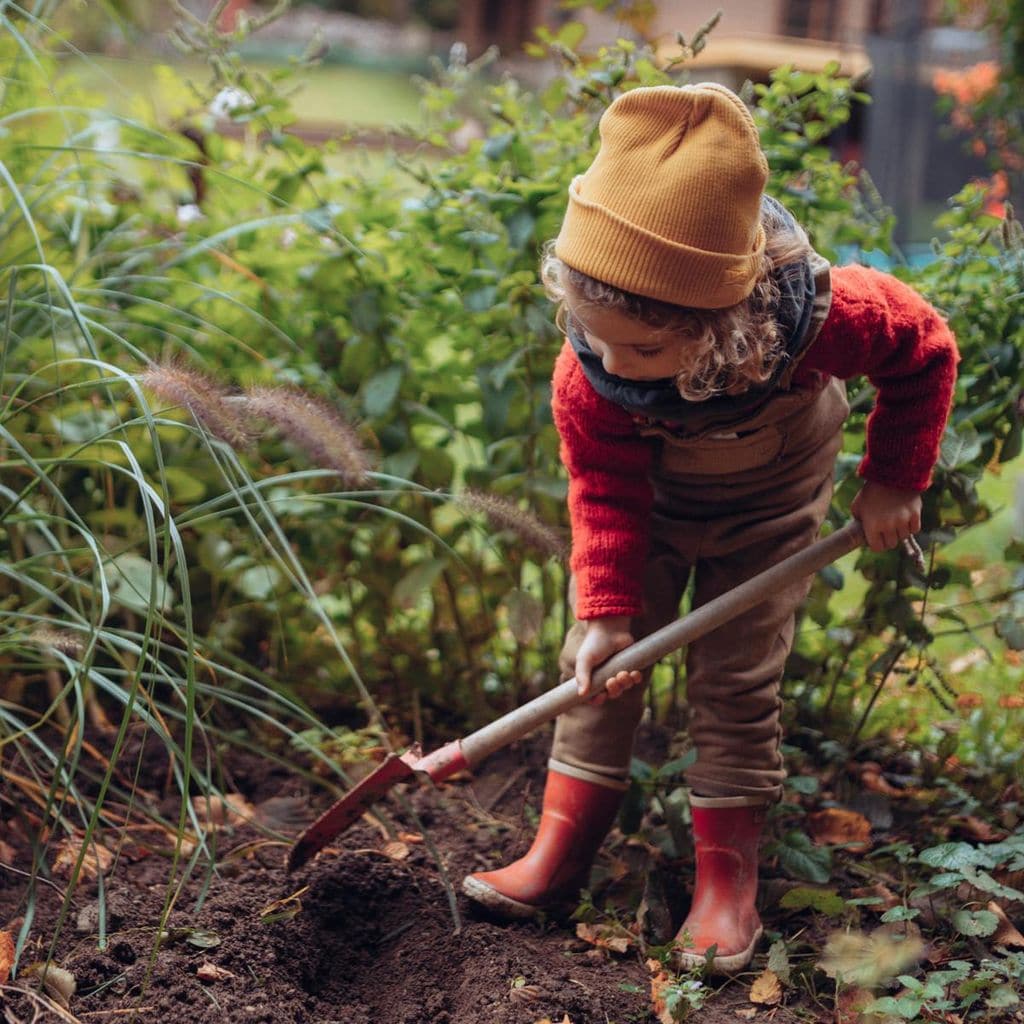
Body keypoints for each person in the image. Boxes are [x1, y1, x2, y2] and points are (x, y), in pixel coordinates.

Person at [461, 83, 958, 973]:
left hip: (769, 509)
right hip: (647, 509)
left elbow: (926, 349)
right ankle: (559, 854)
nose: (612, 362)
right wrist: (609, 609)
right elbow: (604, 489)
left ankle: (724, 886)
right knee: (600, 669)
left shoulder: (832, 319)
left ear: (726, 322)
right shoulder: (593, 375)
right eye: (592, 334)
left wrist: (893, 480)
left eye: (642, 350)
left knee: (737, 680)